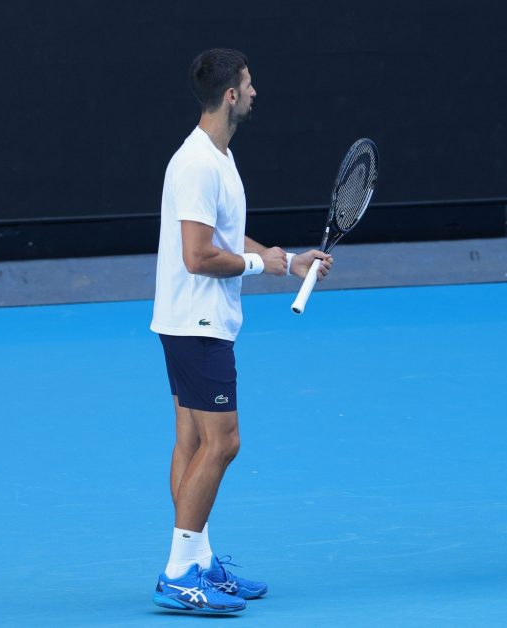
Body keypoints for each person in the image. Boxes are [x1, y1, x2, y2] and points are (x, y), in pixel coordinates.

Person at [150, 48, 332, 613]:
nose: (255, 93)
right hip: (198, 323)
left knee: (193, 441)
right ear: (230, 95)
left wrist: (287, 258)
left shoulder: (216, 158)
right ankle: (179, 571)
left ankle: (198, 559)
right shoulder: (200, 165)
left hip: (190, 321)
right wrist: (262, 267)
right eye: (249, 86)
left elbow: (227, 235)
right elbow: (199, 256)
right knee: (224, 442)